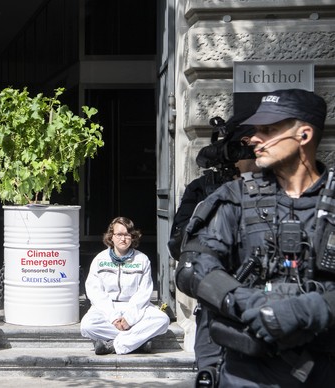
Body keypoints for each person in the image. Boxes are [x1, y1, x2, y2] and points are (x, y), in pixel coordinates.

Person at [176, 89, 335, 387]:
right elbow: (193, 268)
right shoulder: (235, 197)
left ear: (304, 135)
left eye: (269, 130)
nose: (254, 138)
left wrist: (306, 311)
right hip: (246, 372)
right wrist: (248, 301)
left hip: (321, 369)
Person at [168, 120, 258, 379]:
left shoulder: (275, 190)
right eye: (250, 146)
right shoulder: (204, 188)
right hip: (216, 293)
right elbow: (178, 242)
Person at [80, 216, 170, 355]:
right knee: (87, 326)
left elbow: (143, 293)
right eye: (119, 234)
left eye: (127, 235)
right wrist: (114, 317)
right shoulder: (100, 259)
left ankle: (112, 345)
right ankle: (137, 343)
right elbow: (95, 292)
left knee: (162, 320)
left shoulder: (142, 259)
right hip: (108, 308)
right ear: (111, 236)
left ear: (133, 237)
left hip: (134, 308)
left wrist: (129, 318)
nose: (123, 239)